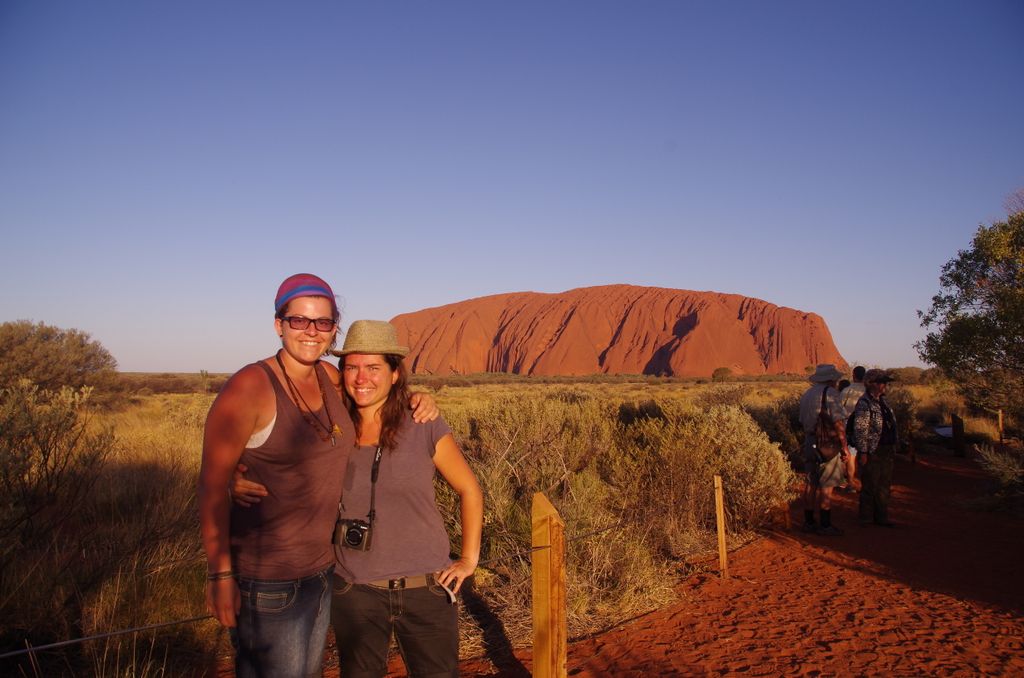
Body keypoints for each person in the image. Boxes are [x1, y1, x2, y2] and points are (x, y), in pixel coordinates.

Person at [198, 275, 437, 678]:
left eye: (323, 323)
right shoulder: (250, 387)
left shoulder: (329, 378)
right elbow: (209, 485)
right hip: (268, 580)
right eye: (299, 321)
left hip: (324, 572)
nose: (311, 331)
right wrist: (220, 573)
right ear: (279, 324)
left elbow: (374, 394)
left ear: (333, 328)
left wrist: (417, 397)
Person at [233, 319, 483, 677]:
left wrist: (468, 559)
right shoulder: (329, 429)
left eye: (373, 368)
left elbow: (469, 489)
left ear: (395, 374)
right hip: (355, 590)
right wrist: (231, 477)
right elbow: (274, 463)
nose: (361, 378)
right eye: (351, 367)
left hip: (426, 588)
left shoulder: (422, 422)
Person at [798, 364, 858, 535]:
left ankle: (808, 522)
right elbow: (839, 423)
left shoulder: (807, 394)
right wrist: (845, 448)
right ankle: (825, 524)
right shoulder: (831, 393)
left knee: (811, 482)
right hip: (827, 443)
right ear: (831, 379)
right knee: (828, 483)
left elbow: (801, 420)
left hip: (810, 441)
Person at [851, 368, 899, 527]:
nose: (884, 385)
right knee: (870, 484)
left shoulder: (883, 401)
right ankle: (865, 518)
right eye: (881, 382)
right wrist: (863, 451)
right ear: (871, 384)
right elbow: (860, 429)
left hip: (886, 449)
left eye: (885, 382)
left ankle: (881, 517)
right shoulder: (864, 403)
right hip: (872, 450)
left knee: (884, 484)